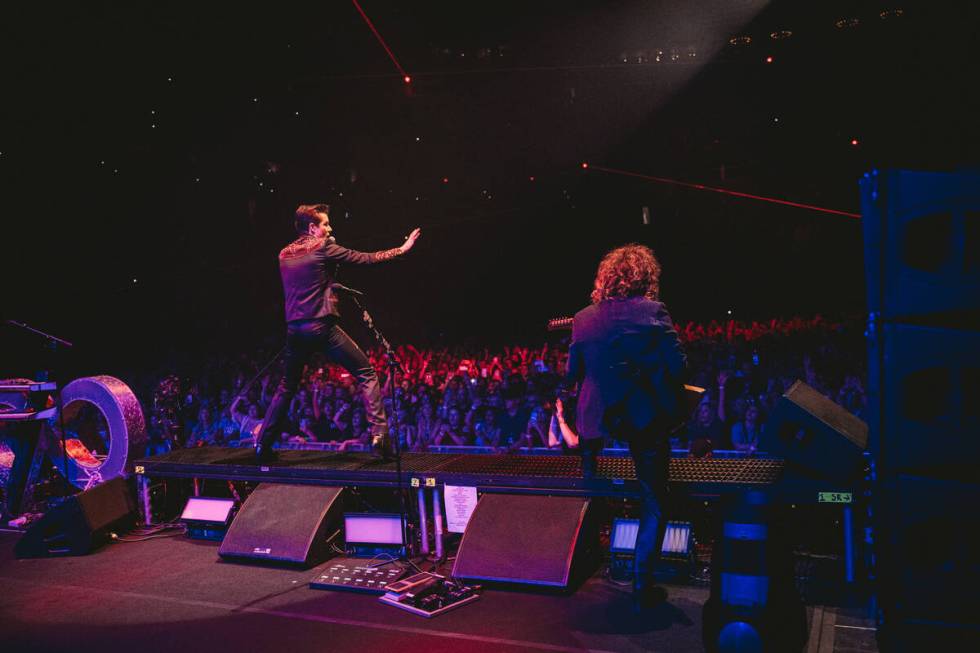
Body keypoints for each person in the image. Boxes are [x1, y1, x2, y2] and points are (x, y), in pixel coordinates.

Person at [565, 243, 687, 612]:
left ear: (605, 279)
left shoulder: (583, 318)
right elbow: (679, 367)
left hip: (595, 420)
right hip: (642, 418)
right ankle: (640, 580)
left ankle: (580, 562)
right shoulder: (654, 312)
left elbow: (573, 375)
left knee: (590, 493)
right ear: (646, 278)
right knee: (653, 499)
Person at [254, 203, 421, 462]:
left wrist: (331, 285)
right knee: (366, 373)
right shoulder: (323, 248)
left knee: (287, 386)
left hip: (295, 330)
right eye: (325, 224)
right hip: (321, 327)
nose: (330, 228)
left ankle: (263, 445)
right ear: (312, 228)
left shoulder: (284, 253)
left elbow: (308, 282)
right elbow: (365, 258)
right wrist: (402, 249)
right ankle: (380, 436)